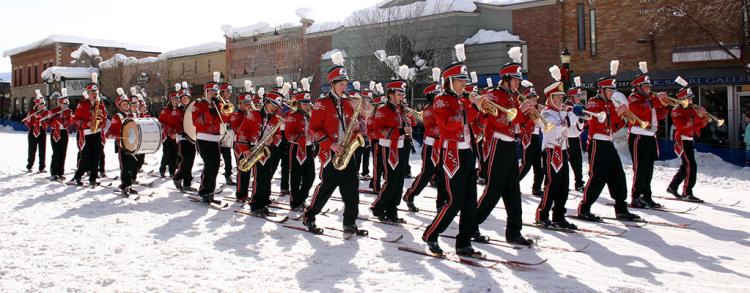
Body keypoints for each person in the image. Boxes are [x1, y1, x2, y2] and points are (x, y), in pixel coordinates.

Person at [422, 45, 486, 256]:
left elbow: (474, 124)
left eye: (464, 81)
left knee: (469, 202)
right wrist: (473, 108)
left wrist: (481, 110)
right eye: (460, 81)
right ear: (450, 81)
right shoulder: (441, 100)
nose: (464, 85)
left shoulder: (462, 100)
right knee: (454, 200)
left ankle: (464, 243)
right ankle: (431, 234)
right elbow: (450, 124)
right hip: (452, 154)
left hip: (467, 151)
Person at [472, 46, 535, 246]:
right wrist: (519, 110)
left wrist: (527, 112)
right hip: (497, 144)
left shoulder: (512, 97)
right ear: (506, 79)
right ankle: (472, 225)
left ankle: (514, 232)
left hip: (510, 145)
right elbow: (498, 121)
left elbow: (521, 122)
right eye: (515, 79)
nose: (518, 83)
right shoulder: (493, 96)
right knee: (493, 190)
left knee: (513, 191)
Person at [302, 52, 364, 236]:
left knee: (352, 190)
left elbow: (349, 125)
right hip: (331, 154)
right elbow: (313, 130)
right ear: (332, 84)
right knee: (326, 189)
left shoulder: (347, 102)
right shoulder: (321, 103)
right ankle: (309, 216)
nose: (344, 88)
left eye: (346, 84)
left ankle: (349, 223)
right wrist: (331, 145)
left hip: (347, 151)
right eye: (341, 84)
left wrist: (357, 128)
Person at [576, 60, 640, 222]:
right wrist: (617, 114)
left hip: (608, 142)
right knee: (598, 177)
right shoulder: (593, 103)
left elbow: (614, 126)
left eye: (613, 90)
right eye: (610, 90)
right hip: (598, 143)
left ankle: (621, 208)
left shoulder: (611, 103)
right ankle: (584, 207)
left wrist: (624, 118)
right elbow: (596, 122)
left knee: (618, 174)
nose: (612, 93)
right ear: (602, 90)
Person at [370, 66, 417, 223]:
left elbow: (410, 124)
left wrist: (409, 122)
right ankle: (378, 207)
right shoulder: (383, 109)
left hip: (402, 146)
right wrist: (401, 130)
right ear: (390, 94)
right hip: (388, 147)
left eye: (403, 93)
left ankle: (392, 211)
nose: (402, 96)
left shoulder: (401, 109)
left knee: (399, 181)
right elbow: (379, 130)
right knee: (391, 180)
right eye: (399, 93)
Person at [535, 68, 577, 229]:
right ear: (550, 98)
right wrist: (566, 119)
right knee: (552, 184)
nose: (561, 100)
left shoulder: (562, 113)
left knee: (564, 185)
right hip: (552, 151)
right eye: (558, 97)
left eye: (561, 97)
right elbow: (550, 129)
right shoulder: (546, 114)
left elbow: (572, 132)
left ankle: (559, 215)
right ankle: (542, 214)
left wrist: (576, 119)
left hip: (563, 150)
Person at [627, 62, 669, 209]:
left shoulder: (650, 100)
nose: (648, 89)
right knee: (640, 168)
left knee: (649, 168)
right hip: (638, 136)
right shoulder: (634, 98)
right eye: (645, 87)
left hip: (650, 136)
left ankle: (646, 196)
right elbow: (639, 110)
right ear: (638, 87)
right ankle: (636, 196)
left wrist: (664, 105)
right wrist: (656, 100)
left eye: (649, 87)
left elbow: (660, 116)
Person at [236, 86, 284, 215]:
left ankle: (263, 202)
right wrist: (245, 149)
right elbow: (242, 131)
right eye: (273, 105)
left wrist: (272, 140)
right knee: (258, 178)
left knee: (266, 177)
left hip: (266, 151)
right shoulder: (254, 114)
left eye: (277, 106)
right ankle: (256, 205)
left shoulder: (276, 119)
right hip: (253, 149)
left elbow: (279, 135)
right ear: (267, 102)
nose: (275, 108)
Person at [403, 68, 443, 212]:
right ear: (432, 97)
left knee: (442, 175)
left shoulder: (439, 108)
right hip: (431, 146)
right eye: (438, 96)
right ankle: (410, 195)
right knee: (426, 174)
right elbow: (431, 128)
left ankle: (441, 204)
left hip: (441, 145)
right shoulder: (428, 110)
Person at [667, 78, 709, 202]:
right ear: (681, 99)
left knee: (686, 166)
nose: (691, 100)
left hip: (689, 139)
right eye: (688, 98)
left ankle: (672, 186)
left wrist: (703, 116)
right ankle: (687, 192)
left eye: (691, 98)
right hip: (682, 140)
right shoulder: (676, 110)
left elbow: (700, 125)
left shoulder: (691, 109)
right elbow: (683, 125)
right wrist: (697, 117)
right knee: (691, 166)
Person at [192, 72, 232, 203]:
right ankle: (204, 190)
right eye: (212, 92)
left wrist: (221, 109)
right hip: (203, 139)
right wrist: (210, 112)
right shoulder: (199, 104)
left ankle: (210, 191)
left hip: (215, 139)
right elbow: (196, 122)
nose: (215, 95)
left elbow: (226, 118)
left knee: (215, 166)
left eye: (216, 92)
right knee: (209, 164)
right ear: (206, 92)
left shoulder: (220, 104)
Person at [71, 73, 107, 187]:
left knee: (97, 156)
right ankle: (78, 176)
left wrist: (100, 122)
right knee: (85, 157)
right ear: (88, 93)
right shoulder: (82, 104)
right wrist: (87, 123)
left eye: (96, 93)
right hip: (86, 134)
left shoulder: (100, 104)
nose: (95, 95)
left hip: (96, 133)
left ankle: (93, 178)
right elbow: (75, 119)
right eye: (92, 93)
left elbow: (105, 117)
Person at [285, 78, 316, 211]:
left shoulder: (310, 115)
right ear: (298, 103)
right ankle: (294, 202)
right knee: (296, 177)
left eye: (307, 103)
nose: (306, 106)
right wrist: (304, 137)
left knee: (310, 176)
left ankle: (302, 198)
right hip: (296, 147)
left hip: (309, 147)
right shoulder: (293, 116)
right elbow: (288, 134)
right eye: (303, 103)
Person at [107, 88, 139, 194]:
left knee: (133, 165)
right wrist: (110, 134)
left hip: (133, 145)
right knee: (125, 167)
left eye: (127, 103)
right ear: (119, 106)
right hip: (122, 145)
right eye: (123, 104)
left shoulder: (133, 116)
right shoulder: (117, 116)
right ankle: (125, 185)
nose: (126, 105)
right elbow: (111, 129)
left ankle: (129, 185)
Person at [172, 83, 197, 192]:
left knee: (191, 160)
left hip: (192, 137)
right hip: (182, 137)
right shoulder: (177, 110)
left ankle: (187, 183)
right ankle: (177, 177)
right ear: (181, 99)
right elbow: (173, 123)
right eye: (184, 98)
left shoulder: (192, 109)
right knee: (185, 159)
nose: (186, 99)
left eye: (187, 98)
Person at [46, 88, 74, 181]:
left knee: (63, 153)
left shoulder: (69, 111)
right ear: (59, 103)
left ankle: (60, 173)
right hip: (55, 132)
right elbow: (48, 122)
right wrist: (52, 119)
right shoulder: (54, 111)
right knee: (56, 153)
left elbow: (69, 122)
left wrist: (62, 119)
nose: (65, 106)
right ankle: (54, 173)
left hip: (64, 132)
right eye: (63, 104)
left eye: (66, 104)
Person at [565, 77, 587, 191]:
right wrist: (574, 114)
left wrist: (581, 120)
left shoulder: (579, 108)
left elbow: (579, 127)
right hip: (566, 138)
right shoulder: (565, 108)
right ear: (572, 97)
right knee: (565, 163)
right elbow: (566, 124)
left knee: (578, 162)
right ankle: (563, 183)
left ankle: (579, 183)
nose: (580, 98)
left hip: (575, 138)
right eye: (577, 96)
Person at [23, 90, 49, 173]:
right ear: (37, 105)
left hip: (41, 131)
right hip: (32, 131)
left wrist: (39, 117)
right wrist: (29, 118)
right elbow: (27, 123)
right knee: (31, 149)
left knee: (42, 150)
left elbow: (47, 121)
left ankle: (42, 167)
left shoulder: (46, 112)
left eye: (43, 104)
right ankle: (29, 165)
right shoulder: (31, 112)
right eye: (40, 105)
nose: (42, 106)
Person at [158, 89, 180, 178]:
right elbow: (161, 123)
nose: (176, 101)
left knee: (175, 154)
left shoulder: (180, 110)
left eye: (177, 99)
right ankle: (162, 169)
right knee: (167, 153)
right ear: (171, 100)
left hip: (177, 135)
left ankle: (172, 171)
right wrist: (169, 131)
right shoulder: (166, 110)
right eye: (174, 99)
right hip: (167, 135)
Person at [219, 82, 236, 186]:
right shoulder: (218, 103)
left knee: (227, 157)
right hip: (217, 132)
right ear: (222, 92)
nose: (229, 93)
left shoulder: (228, 103)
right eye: (227, 91)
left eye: (230, 91)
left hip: (226, 133)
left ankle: (228, 175)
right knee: (213, 160)